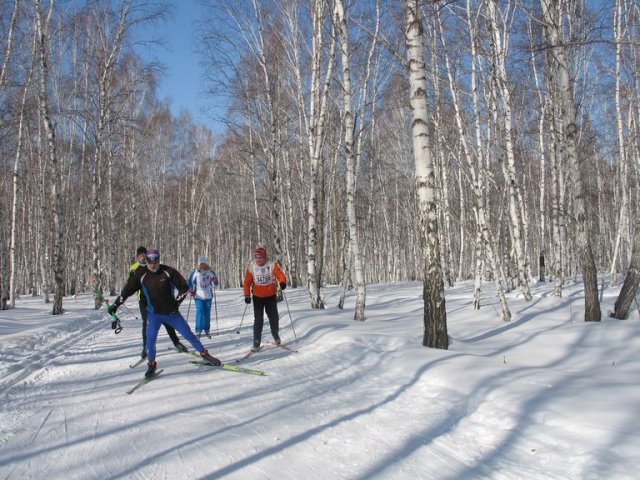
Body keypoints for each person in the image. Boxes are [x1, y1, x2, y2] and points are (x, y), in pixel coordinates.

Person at [109, 248, 221, 378]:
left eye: (155, 262)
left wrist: (176, 303)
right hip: (153, 314)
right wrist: (115, 305)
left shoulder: (168, 271)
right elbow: (126, 291)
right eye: (150, 263)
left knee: (188, 334)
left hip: (171, 313)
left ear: (158, 260)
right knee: (150, 340)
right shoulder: (141, 274)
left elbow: (184, 288)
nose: (152, 265)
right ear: (146, 261)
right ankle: (151, 365)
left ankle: (205, 354)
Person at [128, 246, 188, 358]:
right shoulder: (134, 268)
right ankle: (146, 347)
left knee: (167, 321)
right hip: (143, 300)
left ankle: (176, 342)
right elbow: (130, 284)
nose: (142, 257)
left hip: (157, 298)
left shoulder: (152, 266)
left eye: (143, 255)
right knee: (146, 324)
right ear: (137, 257)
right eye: (140, 256)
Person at [243, 246, 287, 352]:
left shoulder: (271, 265)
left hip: (270, 296)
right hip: (258, 297)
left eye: (261, 257)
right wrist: (247, 295)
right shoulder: (251, 267)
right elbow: (247, 282)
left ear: (265, 257)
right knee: (258, 320)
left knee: (274, 317)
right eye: (257, 257)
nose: (258, 259)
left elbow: (280, 274)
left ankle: (275, 334)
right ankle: (256, 341)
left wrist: (282, 282)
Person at [187, 256, 219, 338]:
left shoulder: (210, 272)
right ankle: (198, 330)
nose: (202, 265)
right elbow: (190, 282)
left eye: (204, 264)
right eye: (201, 264)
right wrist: (190, 290)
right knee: (200, 311)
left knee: (207, 313)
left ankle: (207, 328)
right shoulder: (195, 273)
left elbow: (215, 284)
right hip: (198, 296)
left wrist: (214, 282)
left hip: (208, 296)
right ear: (199, 264)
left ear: (206, 264)